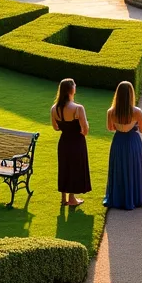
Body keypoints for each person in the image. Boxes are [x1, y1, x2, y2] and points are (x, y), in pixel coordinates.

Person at [102, 81, 142, 210]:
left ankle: (119, 198)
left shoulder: (111, 111)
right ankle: (135, 198)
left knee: (119, 168)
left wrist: (121, 126)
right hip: (132, 141)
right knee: (133, 168)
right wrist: (133, 125)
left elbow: (110, 128)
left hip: (118, 141)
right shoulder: (136, 111)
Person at [52, 78, 91, 207]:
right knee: (75, 169)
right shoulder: (78, 108)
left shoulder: (54, 109)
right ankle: (72, 199)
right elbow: (85, 130)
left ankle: (63, 198)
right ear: (71, 89)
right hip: (77, 142)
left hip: (63, 142)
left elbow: (56, 127)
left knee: (64, 168)